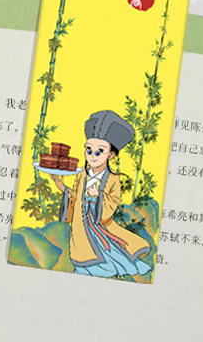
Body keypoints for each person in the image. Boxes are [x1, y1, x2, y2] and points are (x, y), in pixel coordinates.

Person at [51, 110, 151, 278]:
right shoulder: (81, 174)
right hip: (82, 221)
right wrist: (63, 188)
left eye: (99, 152)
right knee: (83, 251)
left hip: (99, 221)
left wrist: (98, 196)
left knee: (109, 251)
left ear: (110, 155)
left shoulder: (113, 178)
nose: (92, 156)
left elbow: (114, 201)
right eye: (89, 150)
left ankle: (108, 268)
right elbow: (75, 197)